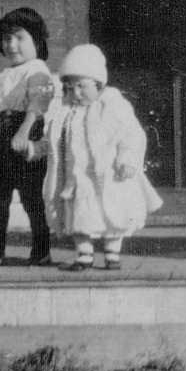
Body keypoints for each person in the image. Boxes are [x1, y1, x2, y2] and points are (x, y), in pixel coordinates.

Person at [28, 43, 162, 270]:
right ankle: (84, 255)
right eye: (70, 88)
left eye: (82, 86)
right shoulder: (65, 113)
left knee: (113, 214)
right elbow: (54, 141)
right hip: (77, 179)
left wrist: (127, 159)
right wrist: (36, 148)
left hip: (110, 175)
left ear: (99, 84)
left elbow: (132, 135)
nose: (76, 93)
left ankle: (112, 255)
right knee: (80, 218)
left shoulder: (112, 106)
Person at [0, 7, 55, 266]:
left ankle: (41, 251)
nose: (12, 45)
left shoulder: (37, 69)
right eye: (6, 39)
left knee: (31, 199)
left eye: (19, 38)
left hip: (23, 137)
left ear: (36, 40)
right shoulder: (2, 77)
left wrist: (24, 131)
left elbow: (38, 104)